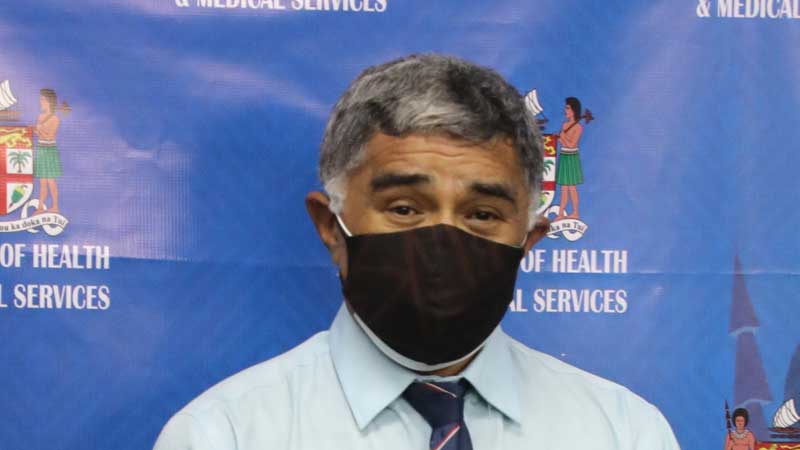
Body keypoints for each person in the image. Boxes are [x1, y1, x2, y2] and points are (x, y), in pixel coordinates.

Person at [154, 54, 680, 450]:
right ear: (330, 227)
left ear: (528, 241)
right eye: (405, 208)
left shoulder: (624, 433)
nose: (441, 242)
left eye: (482, 214)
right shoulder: (224, 435)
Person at [33, 88, 62, 215]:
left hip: (49, 151)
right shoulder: (40, 117)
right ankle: (40, 207)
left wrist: (40, 129)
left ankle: (55, 206)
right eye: (40, 99)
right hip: (40, 149)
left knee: (51, 180)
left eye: (43, 99)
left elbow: (50, 137)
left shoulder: (55, 119)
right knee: (42, 182)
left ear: (49, 101)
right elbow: (39, 134)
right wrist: (35, 130)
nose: (41, 102)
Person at [555, 97, 583, 220]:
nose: (565, 110)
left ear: (574, 110)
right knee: (563, 188)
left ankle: (576, 212)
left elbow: (572, 145)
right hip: (564, 156)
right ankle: (561, 213)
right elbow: (563, 143)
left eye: (568, 108)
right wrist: (559, 138)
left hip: (572, 158)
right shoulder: (565, 125)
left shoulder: (578, 127)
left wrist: (562, 137)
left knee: (571, 187)